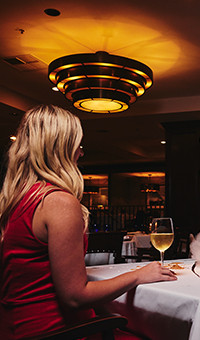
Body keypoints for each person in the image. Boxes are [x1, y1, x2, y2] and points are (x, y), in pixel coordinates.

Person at [0, 105, 177, 339]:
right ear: (61, 148)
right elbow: (75, 297)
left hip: (15, 328)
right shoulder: (58, 202)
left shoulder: (15, 199)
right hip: (59, 331)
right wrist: (138, 275)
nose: (81, 153)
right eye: (78, 146)